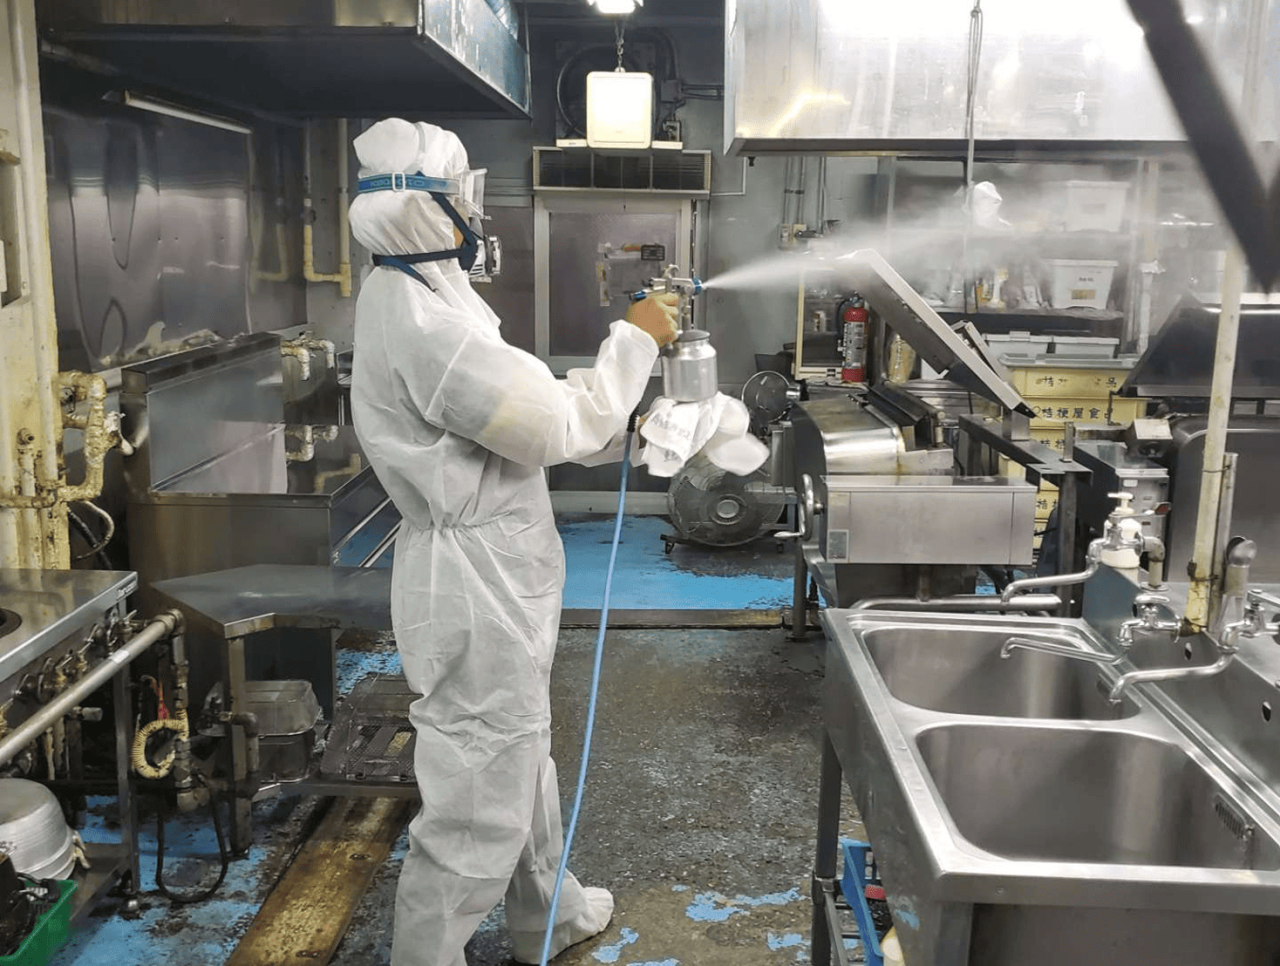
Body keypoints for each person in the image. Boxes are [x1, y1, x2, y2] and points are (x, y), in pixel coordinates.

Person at [348, 118, 679, 966]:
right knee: (478, 786)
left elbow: (528, 414)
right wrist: (637, 338)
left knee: (517, 746)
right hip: (476, 579)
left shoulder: (417, 295)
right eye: (464, 197)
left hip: (487, 563)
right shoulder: (431, 328)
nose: (475, 213)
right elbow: (555, 425)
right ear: (432, 209)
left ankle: (548, 913)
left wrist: (620, 412)